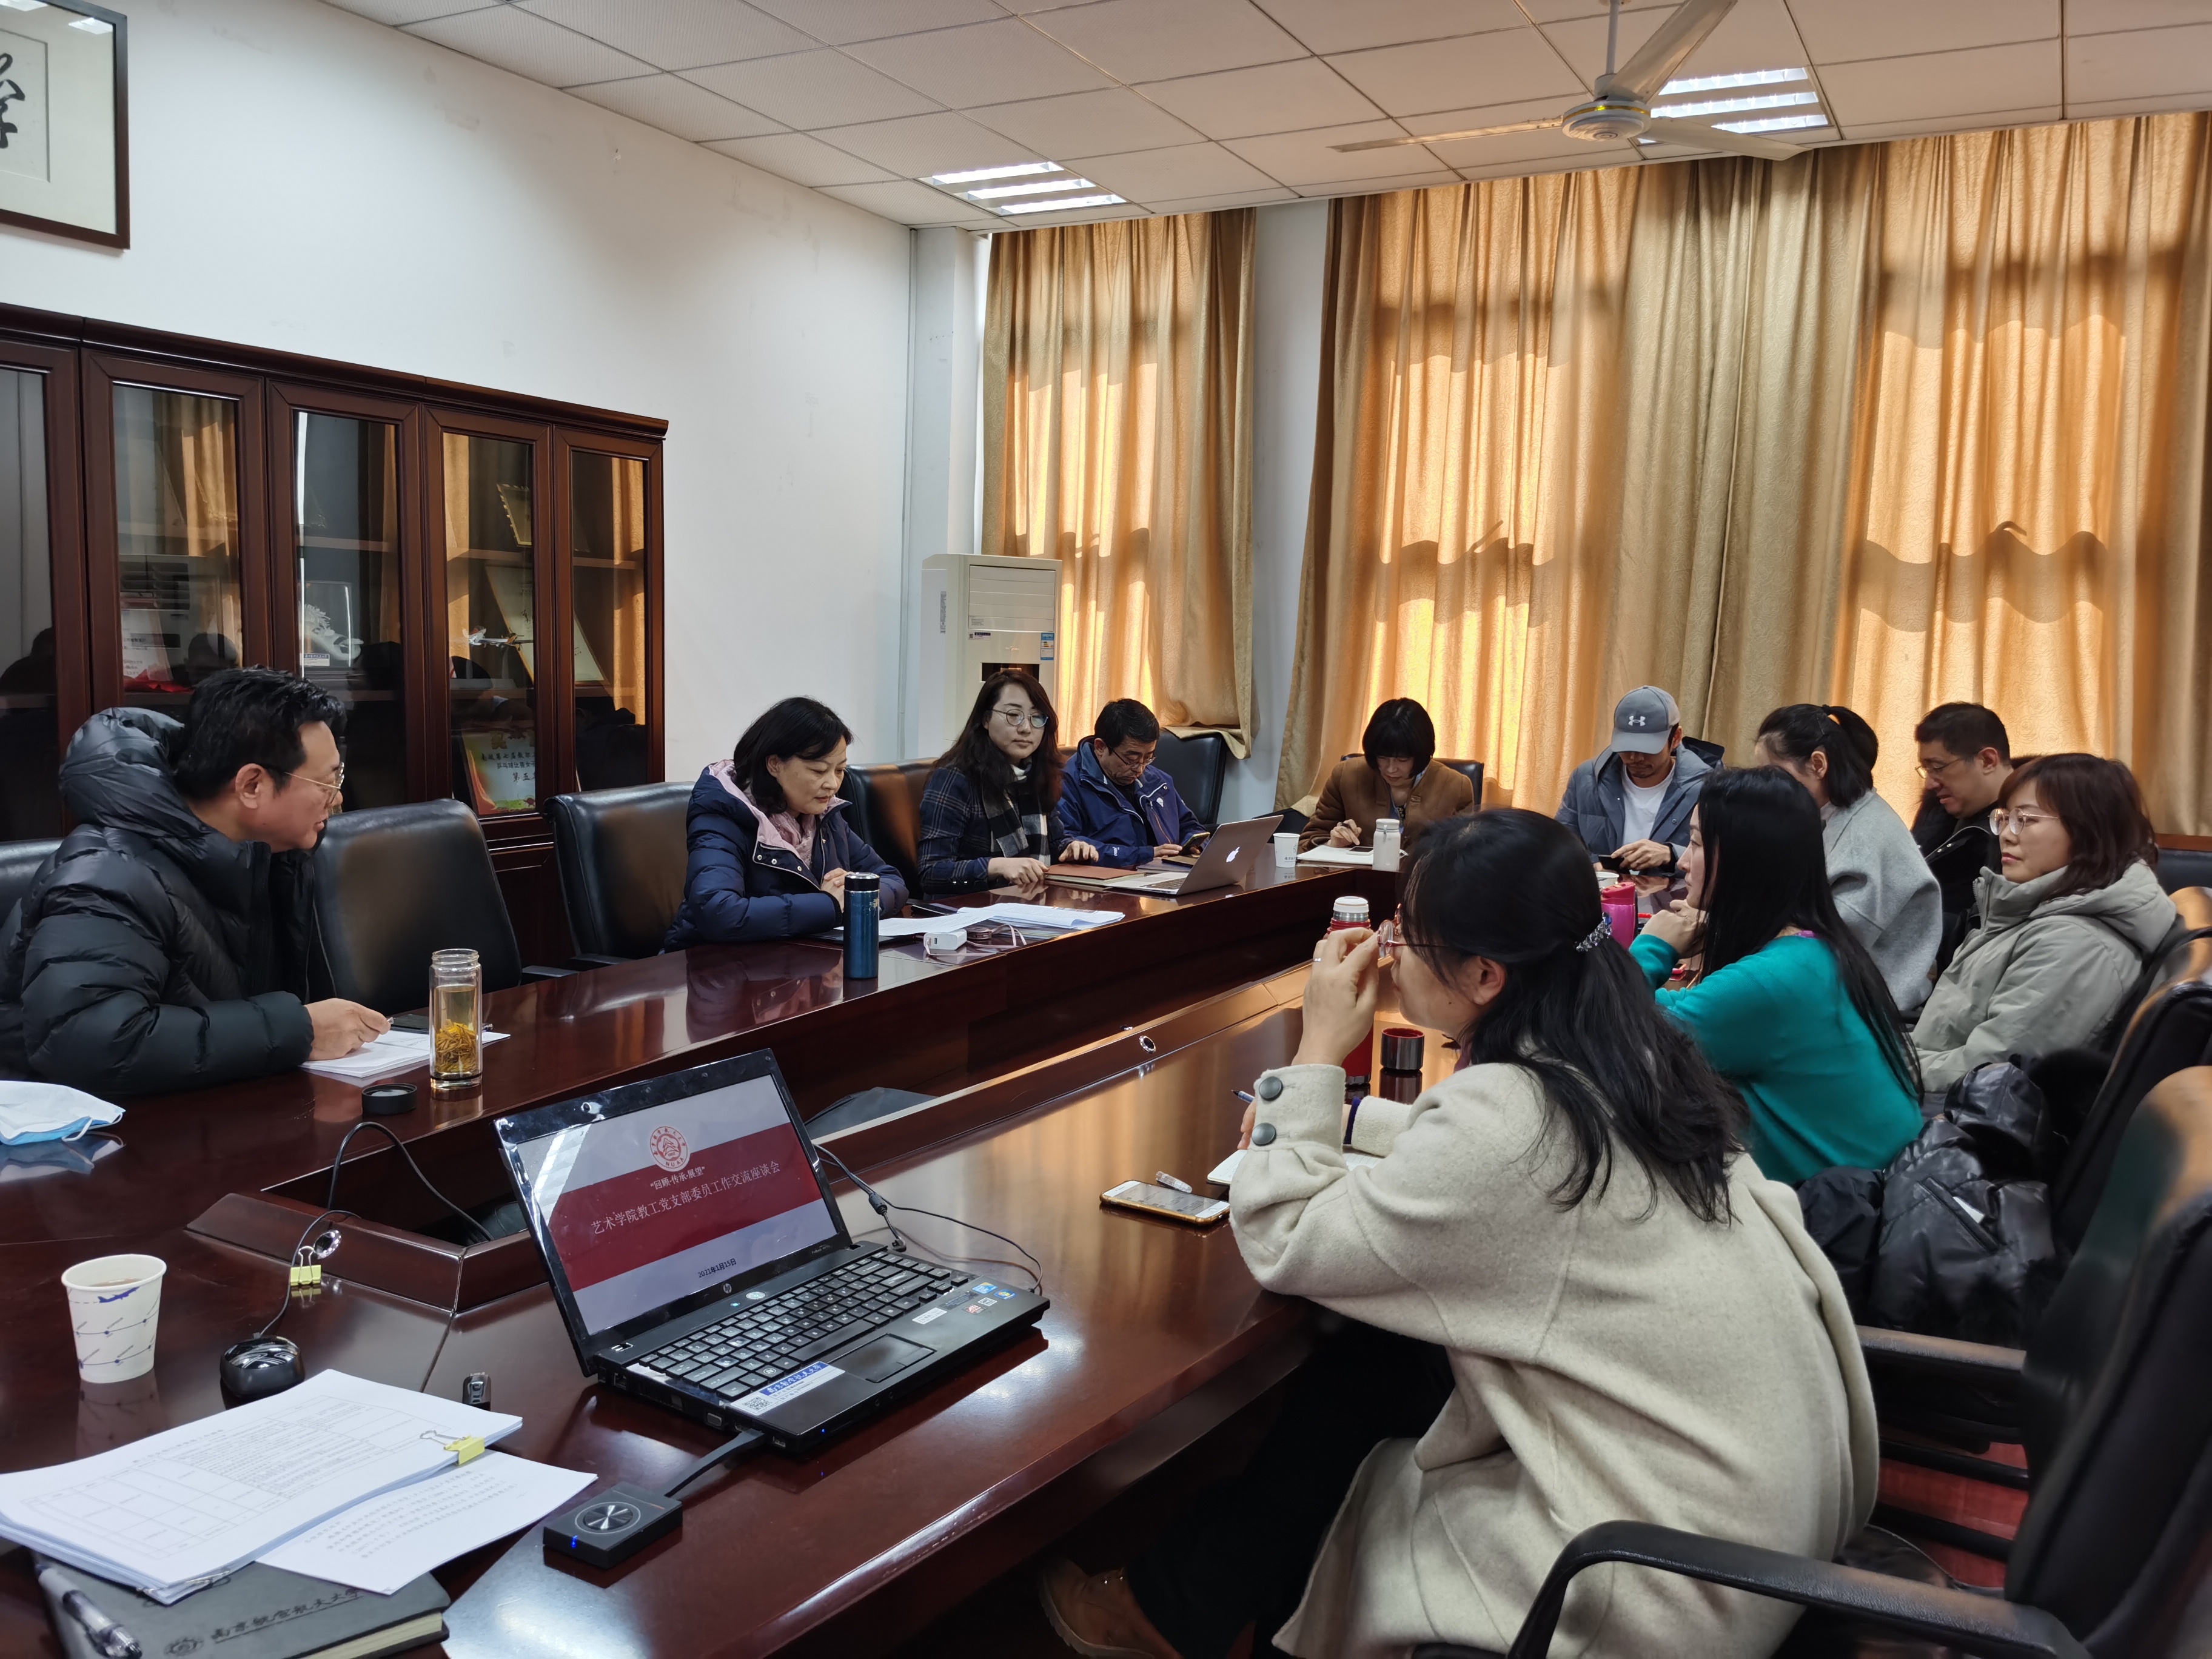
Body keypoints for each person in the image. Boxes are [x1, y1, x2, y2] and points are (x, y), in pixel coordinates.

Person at [1039, 809, 1875, 1659]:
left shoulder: (1513, 1119)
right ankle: (1178, 1606)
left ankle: (1190, 1605)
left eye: (1410, 931)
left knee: (1359, 1413)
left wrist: (1319, 1046)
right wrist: (1353, 1123)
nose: (1391, 947)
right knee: (1372, 1363)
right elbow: (1508, 1164)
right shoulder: (1635, 1055)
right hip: (1765, 1509)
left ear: (1483, 974)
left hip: (1656, 1571)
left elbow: (1289, 1239)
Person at [0, 669, 389, 1096]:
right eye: (326, 783)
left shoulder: (270, 856)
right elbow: (86, 1044)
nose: (337, 798)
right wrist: (299, 1030)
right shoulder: (107, 877)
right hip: (87, 1127)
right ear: (252, 785)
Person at [1634, 768, 1923, 1183]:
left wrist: (1654, 945)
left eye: (1696, 843)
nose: (1682, 863)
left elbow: (1615, 1027)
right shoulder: (1816, 947)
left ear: (1746, 859)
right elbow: (1682, 1013)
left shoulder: (1771, 981)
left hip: (1839, 1212)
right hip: (1878, 1188)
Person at [1912, 754, 2174, 1094]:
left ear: (2089, 831)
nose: (2006, 835)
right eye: (2005, 818)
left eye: (2026, 819)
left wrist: (1883, 1068)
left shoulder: (2077, 944)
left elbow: (1993, 1072)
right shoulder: (2035, 912)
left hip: (1946, 1109)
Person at [662, 697, 908, 948]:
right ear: (774, 764)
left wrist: (855, 897)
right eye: (819, 771)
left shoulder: (825, 816)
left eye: (839, 770)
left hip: (797, 959)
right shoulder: (723, 815)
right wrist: (829, 904)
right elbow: (718, 912)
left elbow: (891, 879)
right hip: (710, 962)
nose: (833, 784)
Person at [1753, 703, 1940, 1013]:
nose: (1770, 789)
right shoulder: (1837, 816)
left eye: (1776, 775)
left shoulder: (1868, 835)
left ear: (1818, 764)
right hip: (1835, 988)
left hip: (1868, 1006)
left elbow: (1819, 951)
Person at [916, 670, 1098, 894]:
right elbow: (931, 873)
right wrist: (997, 867)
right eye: (1014, 715)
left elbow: (1055, 841)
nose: (1026, 728)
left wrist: (1071, 848)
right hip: (969, 909)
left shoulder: (1036, 774)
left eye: (1036, 717)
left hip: (1030, 903)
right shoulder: (954, 779)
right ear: (985, 719)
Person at [1555, 685, 1712, 871]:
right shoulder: (1587, 779)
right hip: (1601, 889)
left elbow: (1724, 862)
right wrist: (1590, 869)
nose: (1635, 758)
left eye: (1648, 749)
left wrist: (1673, 855)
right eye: (1626, 747)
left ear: (1676, 738)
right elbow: (1558, 846)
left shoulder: (1708, 789)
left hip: (1674, 891)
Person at [1296, 697, 1475, 853]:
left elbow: (1466, 855)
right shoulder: (1345, 776)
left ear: (1421, 755)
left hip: (1423, 880)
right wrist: (1333, 843)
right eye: (1382, 758)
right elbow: (1308, 841)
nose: (1390, 769)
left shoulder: (1456, 787)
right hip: (1358, 878)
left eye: (1402, 760)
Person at [1911, 702, 2014, 971]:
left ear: (1988, 760)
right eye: (1926, 770)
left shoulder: (2022, 829)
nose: (1930, 784)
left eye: (1938, 767)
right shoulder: (1938, 810)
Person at [1056, 698, 1207, 868]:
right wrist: (1145, 855)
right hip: (1113, 878)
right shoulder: (1065, 783)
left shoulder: (1158, 781)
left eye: (1148, 757)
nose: (1140, 769)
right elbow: (1067, 843)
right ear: (1100, 747)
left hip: (1168, 872)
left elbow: (1189, 825)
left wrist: (1193, 844)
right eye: (1131, 759)